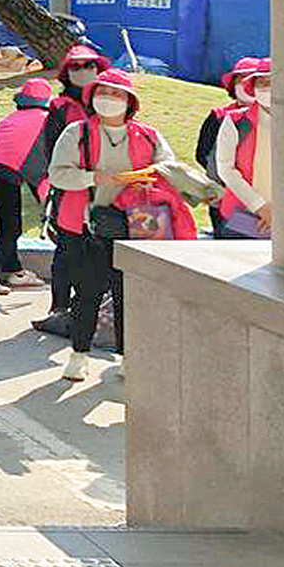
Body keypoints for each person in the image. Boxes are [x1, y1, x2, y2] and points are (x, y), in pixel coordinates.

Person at [46, 68, 190, 382]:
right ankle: (78, 354)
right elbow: (57, 174)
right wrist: (93, 178)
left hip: (135, 227)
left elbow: (168, 166)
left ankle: (128, 357)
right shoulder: (76, 133)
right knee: (86, 292)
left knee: (129, 295)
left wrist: (148, 177)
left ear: (130, 102)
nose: (108, 99)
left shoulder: (149, 134)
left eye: (116, 94)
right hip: (85, 226)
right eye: (102, 93)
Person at [34, 43, 111, 336]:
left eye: (89, 65)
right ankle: (60, 308)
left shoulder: (109, 101)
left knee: (99, 251)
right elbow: (51, 150)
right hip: (70, 190)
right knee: (67, 250)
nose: (83, 71)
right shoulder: (59, 108)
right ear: (67, 73)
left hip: (106, 192)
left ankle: (92, 312)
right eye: (76, 67)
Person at [0, 78, 57, 295]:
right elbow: (43, 166)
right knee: (12, 228)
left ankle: (13, 271)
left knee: (8, 225)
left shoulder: (10, 118)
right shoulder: (48, 122)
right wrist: (48, 201)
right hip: (5, 176)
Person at [199, 56, 264, 236]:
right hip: (225, 197)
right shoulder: (219, 116)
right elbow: (203, 153)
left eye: (250, 78)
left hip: (264, 202)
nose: (244, 84)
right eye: (239, 78)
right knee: (230, 247)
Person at [213, 61, 274, 239]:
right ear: (253, 88)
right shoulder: (235, 121)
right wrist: (260, 207)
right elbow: (225, 168)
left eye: (272, 82)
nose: (266, 88)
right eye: (261, 83)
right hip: (241, 216)